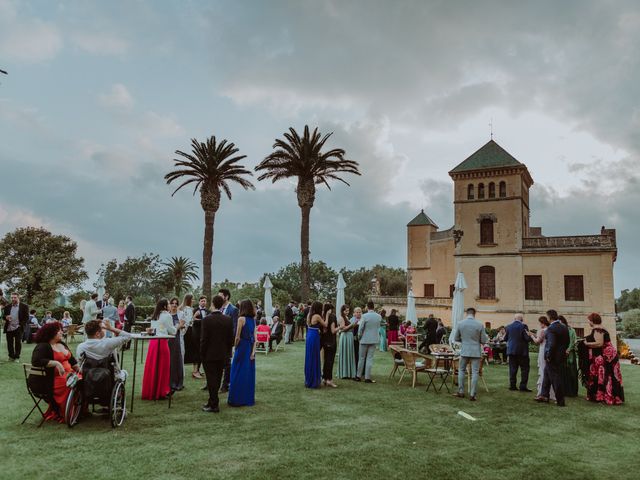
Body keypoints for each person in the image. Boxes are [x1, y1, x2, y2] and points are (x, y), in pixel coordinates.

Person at [29, 322, 80, 422]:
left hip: (69, 374)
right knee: (71, 384)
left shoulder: (61, 344)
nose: (62, 332)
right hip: (51, 379)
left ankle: (80, 411)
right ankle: (66, 413)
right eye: (59, 330)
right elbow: (36, 361)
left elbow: (72, 360)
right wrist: (56, 363)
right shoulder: (43, 346)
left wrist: (79, 368)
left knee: (82, 379)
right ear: (51, 333)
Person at [580, 312, 624, 405]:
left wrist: (586, 344)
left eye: (589, 320)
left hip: (607, 354)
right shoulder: (602, 328)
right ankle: (613, 397)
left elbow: (599, 343)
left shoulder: (597, 329)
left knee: (605, 374)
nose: (588, 322)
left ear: (592, 321)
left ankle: (604, 397)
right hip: (610, 353)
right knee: (611, 375)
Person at [200, 295, 234, 413]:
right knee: (217, 378)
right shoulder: (228, 319)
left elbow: (204, 339)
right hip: (222, 354)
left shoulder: (207, 320)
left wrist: (202, 354)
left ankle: (214, 405)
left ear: (213, 304)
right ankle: (211, 401)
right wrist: (227, 352)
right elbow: (231, 339)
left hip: (209, 354)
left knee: (211, 380)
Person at [141, 299, 175, 400]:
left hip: (153, 342)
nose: (170, 305)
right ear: (165, 306)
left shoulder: (155, 315)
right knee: (163, 367)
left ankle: (151, 390)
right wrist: (179, 326)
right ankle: (161, 391)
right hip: (162, 342)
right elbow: (172, 331)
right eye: (168, 304)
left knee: (153, 367)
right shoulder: (167, 316)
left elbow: (153, 329)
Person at [453, 307, 489, 401]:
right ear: (474, 313)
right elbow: (483, 340)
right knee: (475, 372)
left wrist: (464, 341)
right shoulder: (479, 324)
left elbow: (456, 338)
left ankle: (461, 391)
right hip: (476, 351)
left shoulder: (460, 323)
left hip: (464, 349)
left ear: (466, 313)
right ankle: (473, 394)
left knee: (461, 370)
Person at [536, 309, 570, 407]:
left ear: (550, 318)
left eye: (547, 317)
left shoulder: (551, 328)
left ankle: (560, 400)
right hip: (561, 356)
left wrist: (548, 356)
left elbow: (551, 344)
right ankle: (544, 395)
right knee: (547, 375)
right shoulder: (564, 327)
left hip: (553, 357)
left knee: (555, 378)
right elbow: (567, 342)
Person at [228, 299, 256, 407]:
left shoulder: (241, 319)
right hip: (250, 348)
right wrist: (253, 353)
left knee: (237, 372)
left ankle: (237, 399)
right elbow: (255, 338)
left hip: (242, 348)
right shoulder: (253, 320)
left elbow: (237, 337)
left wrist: (235, 347)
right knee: (248, 373)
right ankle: (247, 397)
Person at [504, 313, 532, 392]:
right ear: (521, 319)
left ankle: (512, 386)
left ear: (514, 319)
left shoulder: (508, 326)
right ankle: (523, 386)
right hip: (522, 351)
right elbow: (526, 338)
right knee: (525, 369)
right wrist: (531, 337)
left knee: (512, 369)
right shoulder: (524, 326)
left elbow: (505, 338)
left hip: (511, 351)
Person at [219, 288, 239, 393]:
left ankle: (225, 385)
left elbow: (235, 327)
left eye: (220, 295)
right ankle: (212, 384)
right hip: (217, 341)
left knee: (227, 364)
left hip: (227, 341)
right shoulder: (218, 309)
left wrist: (231, 342)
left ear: (226, 297)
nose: (219, 297)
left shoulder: (233, 309)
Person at [530, 316, 555, 401]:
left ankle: (542, 392)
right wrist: (534, 335)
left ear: (543, 323)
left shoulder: (543, 330)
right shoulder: (550, 329)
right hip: (548, 350)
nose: (540, 324)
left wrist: (531, 336)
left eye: (540, 323)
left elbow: (537, 341)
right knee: (548, 370)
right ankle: (550, 392)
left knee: (543, 370)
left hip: (543, 350)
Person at [356, 301, 381, 383]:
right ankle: (367, 377)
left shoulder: (364, 316)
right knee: (370, 358)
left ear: (367, 307)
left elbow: (361, 328)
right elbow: (378, 327)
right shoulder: (378, 316)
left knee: (361, 358)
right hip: (374, 339)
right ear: (373, 307)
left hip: (364, 339)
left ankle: (358, 376)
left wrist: (359, 337)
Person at [304, 301, 326, 388]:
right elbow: (325, 324)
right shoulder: (317, 316)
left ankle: (309, 379)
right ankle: (313, 380)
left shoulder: (309, 315)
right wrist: (327, 315)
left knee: (310, 356)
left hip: (309, 334)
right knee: (314, 356)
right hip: (314, 336)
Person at [3, 292, 29, 361]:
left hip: (18, 327)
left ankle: (17, 357)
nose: (13, 299)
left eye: (15, 297)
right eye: (12, 297)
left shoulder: (24, 306)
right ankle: (11, 356)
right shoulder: (7, 306)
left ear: (18, 297)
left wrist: (20, 325)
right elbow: (4, 316)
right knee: (9, 343)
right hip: (9, 327)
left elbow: (26, 317)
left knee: (18, 342)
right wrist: (6, 317)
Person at [168, 297, 186, 392]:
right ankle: (169, 382)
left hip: (177, 340)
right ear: (170, 305)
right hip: (167, 340)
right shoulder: (167, 315)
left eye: (176, 303)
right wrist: (178, 326)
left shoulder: (181, 314)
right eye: (172, 303)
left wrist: (179, 327)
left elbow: (184, 326)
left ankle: (178, 383)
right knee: (169, 360)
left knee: (176, 360)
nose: (174, 305)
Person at [558, 315, 578, 397]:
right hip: (561, 354)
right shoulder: (559, 330)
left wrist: (568, 349)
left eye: (560, 322)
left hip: (570, 354)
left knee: (571, 373)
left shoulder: (571, 330)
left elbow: (573, 341)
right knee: (563, 372)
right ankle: (564, 390)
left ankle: (572, 391)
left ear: (563, 321)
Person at [189, 296, 209, 380]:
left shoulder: (208, 311)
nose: (203, 302)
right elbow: (192, 320)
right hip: (196, 334)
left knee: (201, 352)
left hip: (204, 335)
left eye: (205, 301)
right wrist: (202, 320)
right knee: (196, 352)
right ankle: (195, 371)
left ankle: (198, 370)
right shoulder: (194, 310)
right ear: (199, 302)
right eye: (202, 301)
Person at [321, 303, 338, 388]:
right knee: (330, 361)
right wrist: (341, 327)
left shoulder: (322, 316)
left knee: (326, 360)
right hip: (331, 341)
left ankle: (324, 378)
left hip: (324, 341)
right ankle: (329, 380)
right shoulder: (332, 316)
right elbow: (333, 331)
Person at [337, 305, 356, 379]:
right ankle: (344, 373)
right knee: (345, 353)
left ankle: (349, 372)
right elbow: (343, 329)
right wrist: (351, 325)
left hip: (349, 336)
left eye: (348, 311)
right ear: (342, 311)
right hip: (345, 336)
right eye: (346, 311)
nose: (347, 312)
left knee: (349, 353)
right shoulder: (341, 318)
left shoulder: (347, 318)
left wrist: (353, 325)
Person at [178, 294, 194, 361]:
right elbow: (189, 321)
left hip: (183, 331)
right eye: (192, 299)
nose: (193, 301)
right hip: (187, 331)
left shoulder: (181, 309)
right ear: (189, 300)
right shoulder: (188, 309)